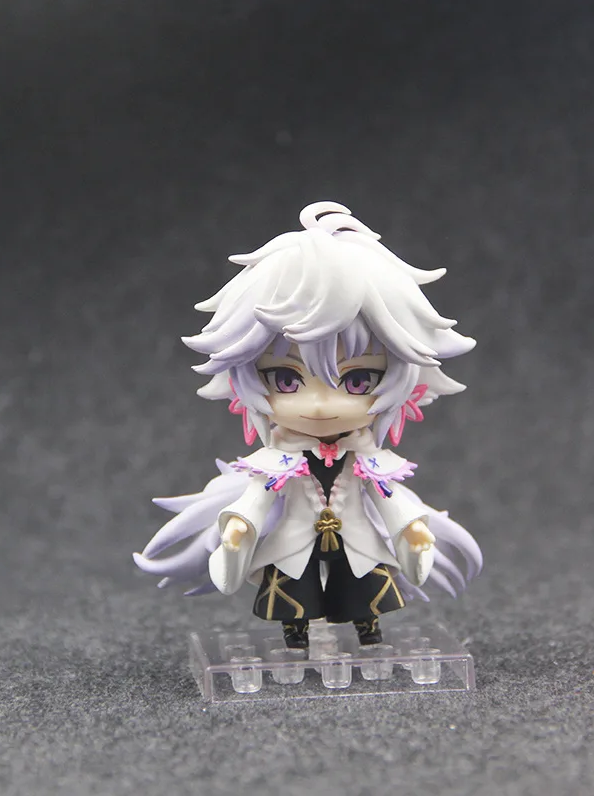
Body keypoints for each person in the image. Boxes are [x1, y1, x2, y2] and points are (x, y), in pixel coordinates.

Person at [134, 202, 482, 649]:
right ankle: (294, 631)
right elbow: (257, 498)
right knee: (290, 587)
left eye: (358, 380)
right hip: (293, 540)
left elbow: (389, 497)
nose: (319, 405)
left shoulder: (368, 459)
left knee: (365, 583)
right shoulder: (276, 461)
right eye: (286, 379)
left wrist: (410, 528)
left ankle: (367, 627)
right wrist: (240, 525)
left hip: (355, 539)